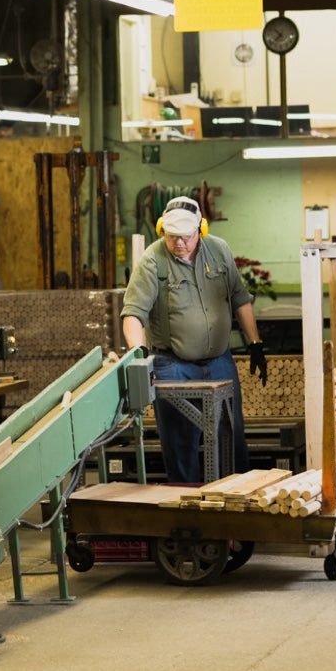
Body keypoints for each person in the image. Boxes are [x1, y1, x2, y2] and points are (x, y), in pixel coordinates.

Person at [121, 195, 267, 484]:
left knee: (231, 437)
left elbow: (239, 299)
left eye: (186, 237)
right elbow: (134, 314)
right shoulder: (153, 260)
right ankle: (187, 510)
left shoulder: (219, 250)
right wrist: (138, 356)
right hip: (173, 365)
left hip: (219, 362)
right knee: (181, 444)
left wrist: (255, 344)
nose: (179, 244)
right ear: (163, 229)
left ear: (201, 229)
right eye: (172, 236)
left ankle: (236, 504)